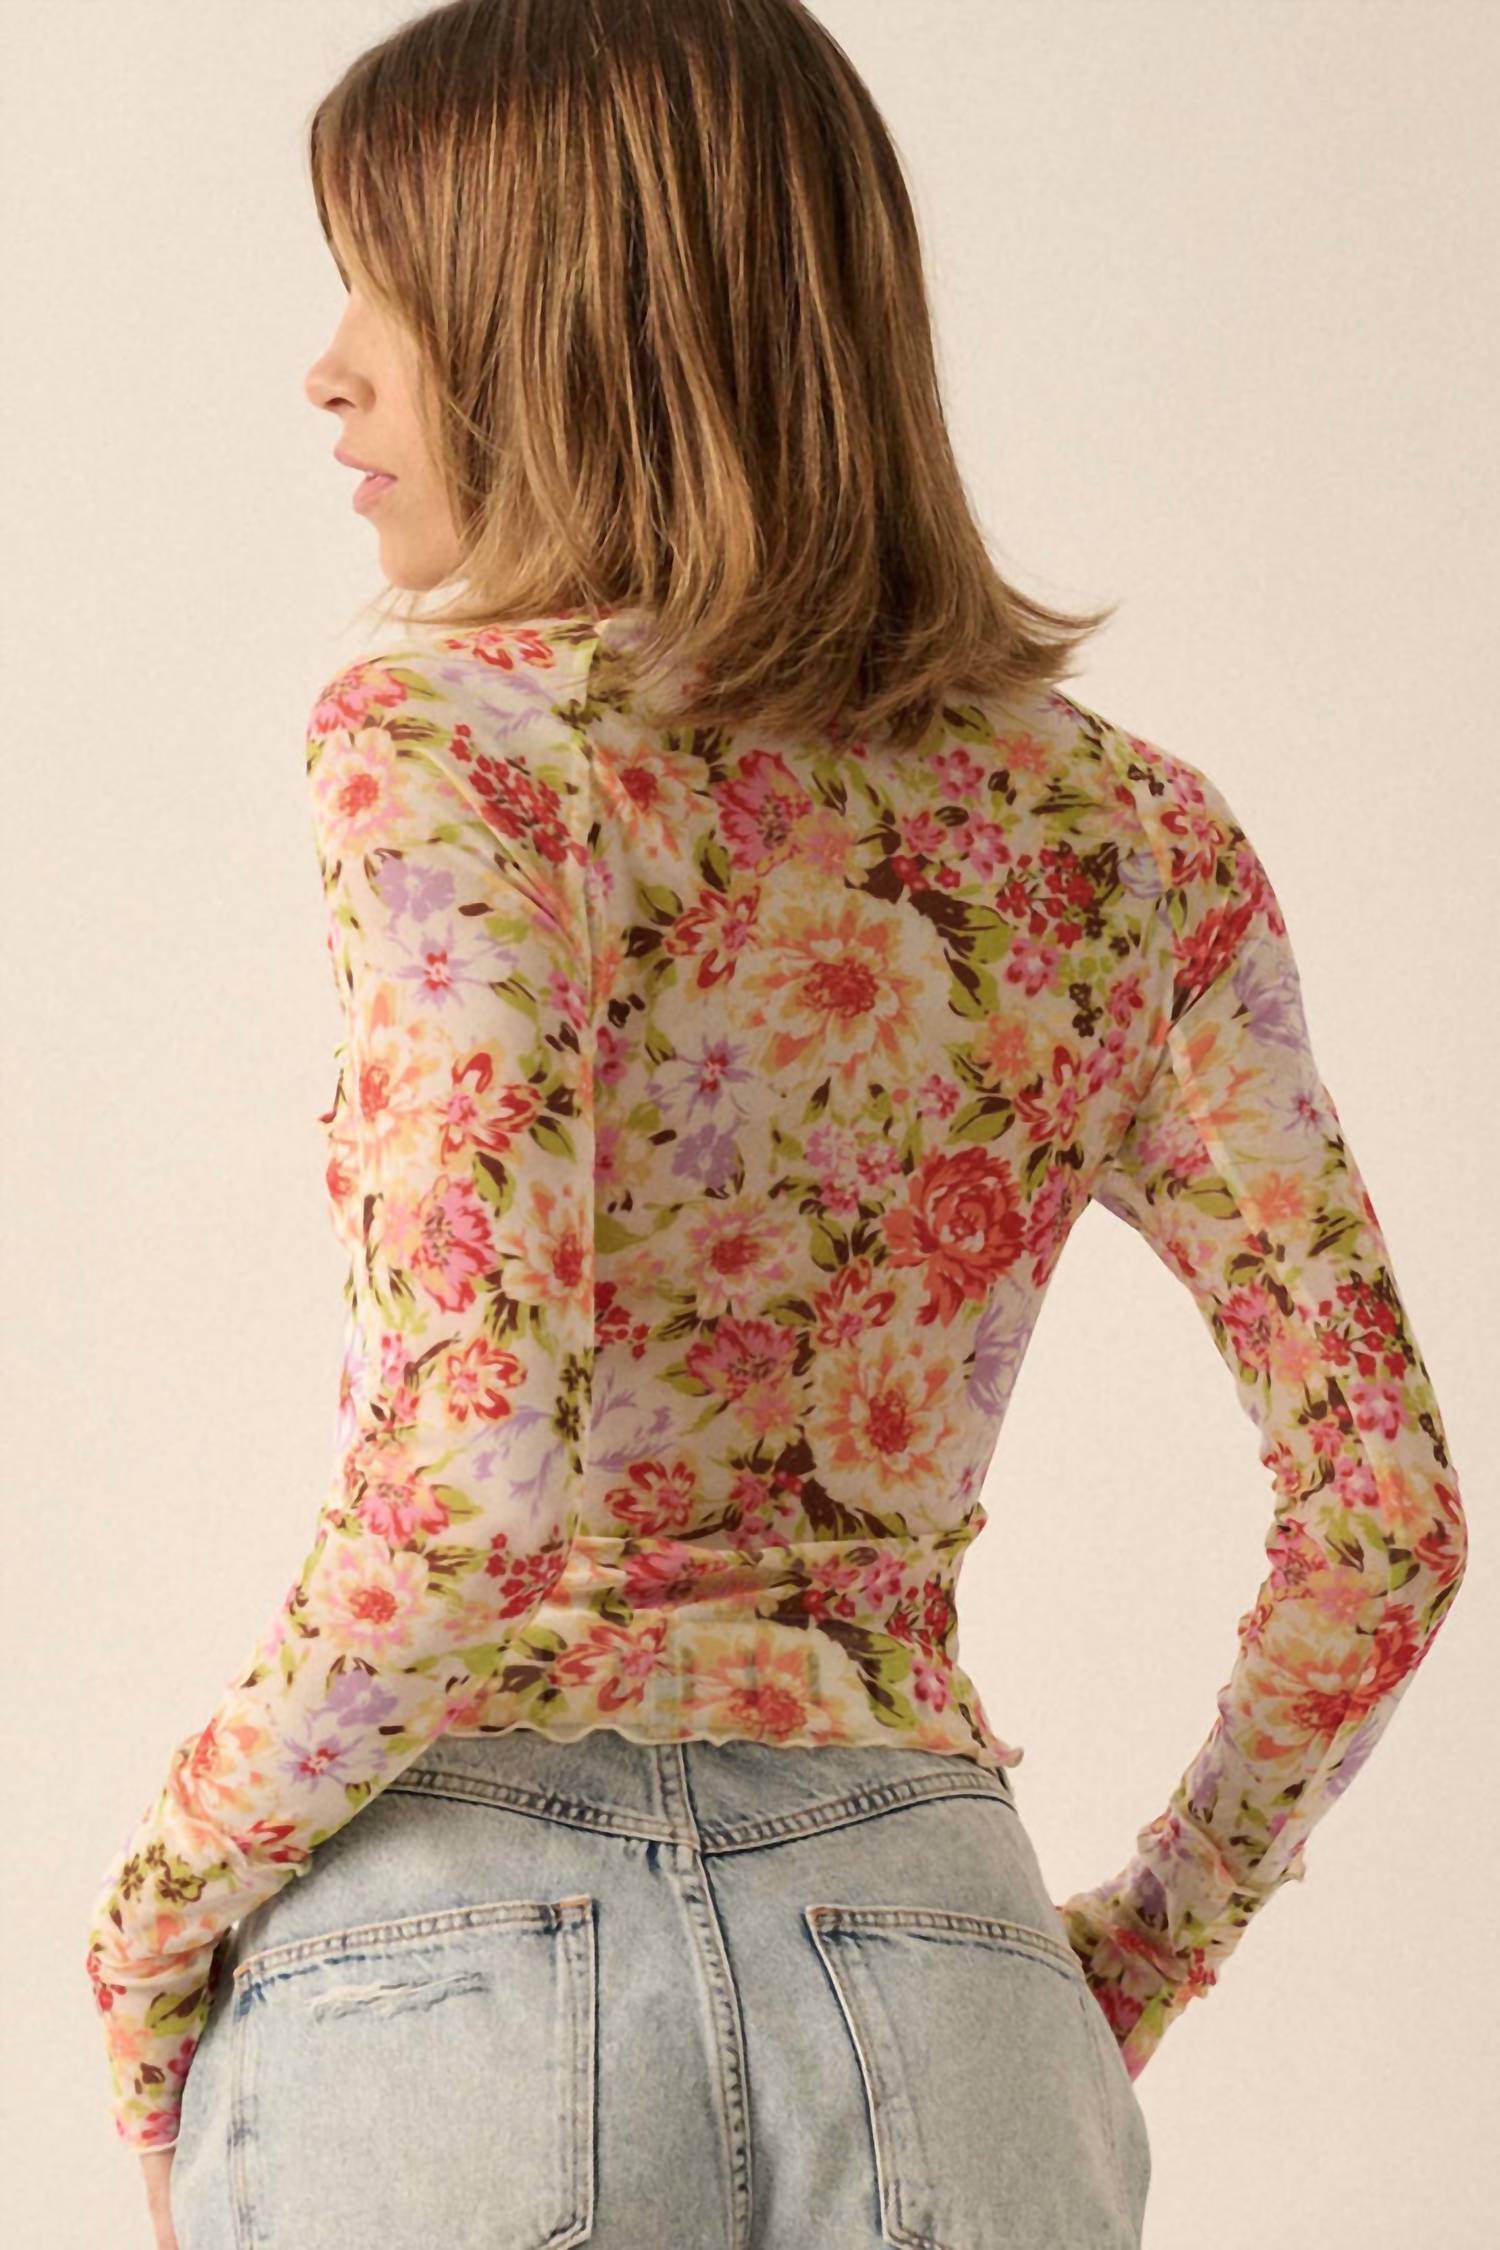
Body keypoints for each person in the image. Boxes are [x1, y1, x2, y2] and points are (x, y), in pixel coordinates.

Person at [85, 4, 1468, 2246]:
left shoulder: (447, 742)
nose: (329, 369)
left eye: (389, 286)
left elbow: (475, 1473)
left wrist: (161, 1911)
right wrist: (1124, 1957)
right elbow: (1385, 1520)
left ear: (576, 319)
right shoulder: (1131, 838)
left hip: (455, 1956)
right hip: (942, 1964)